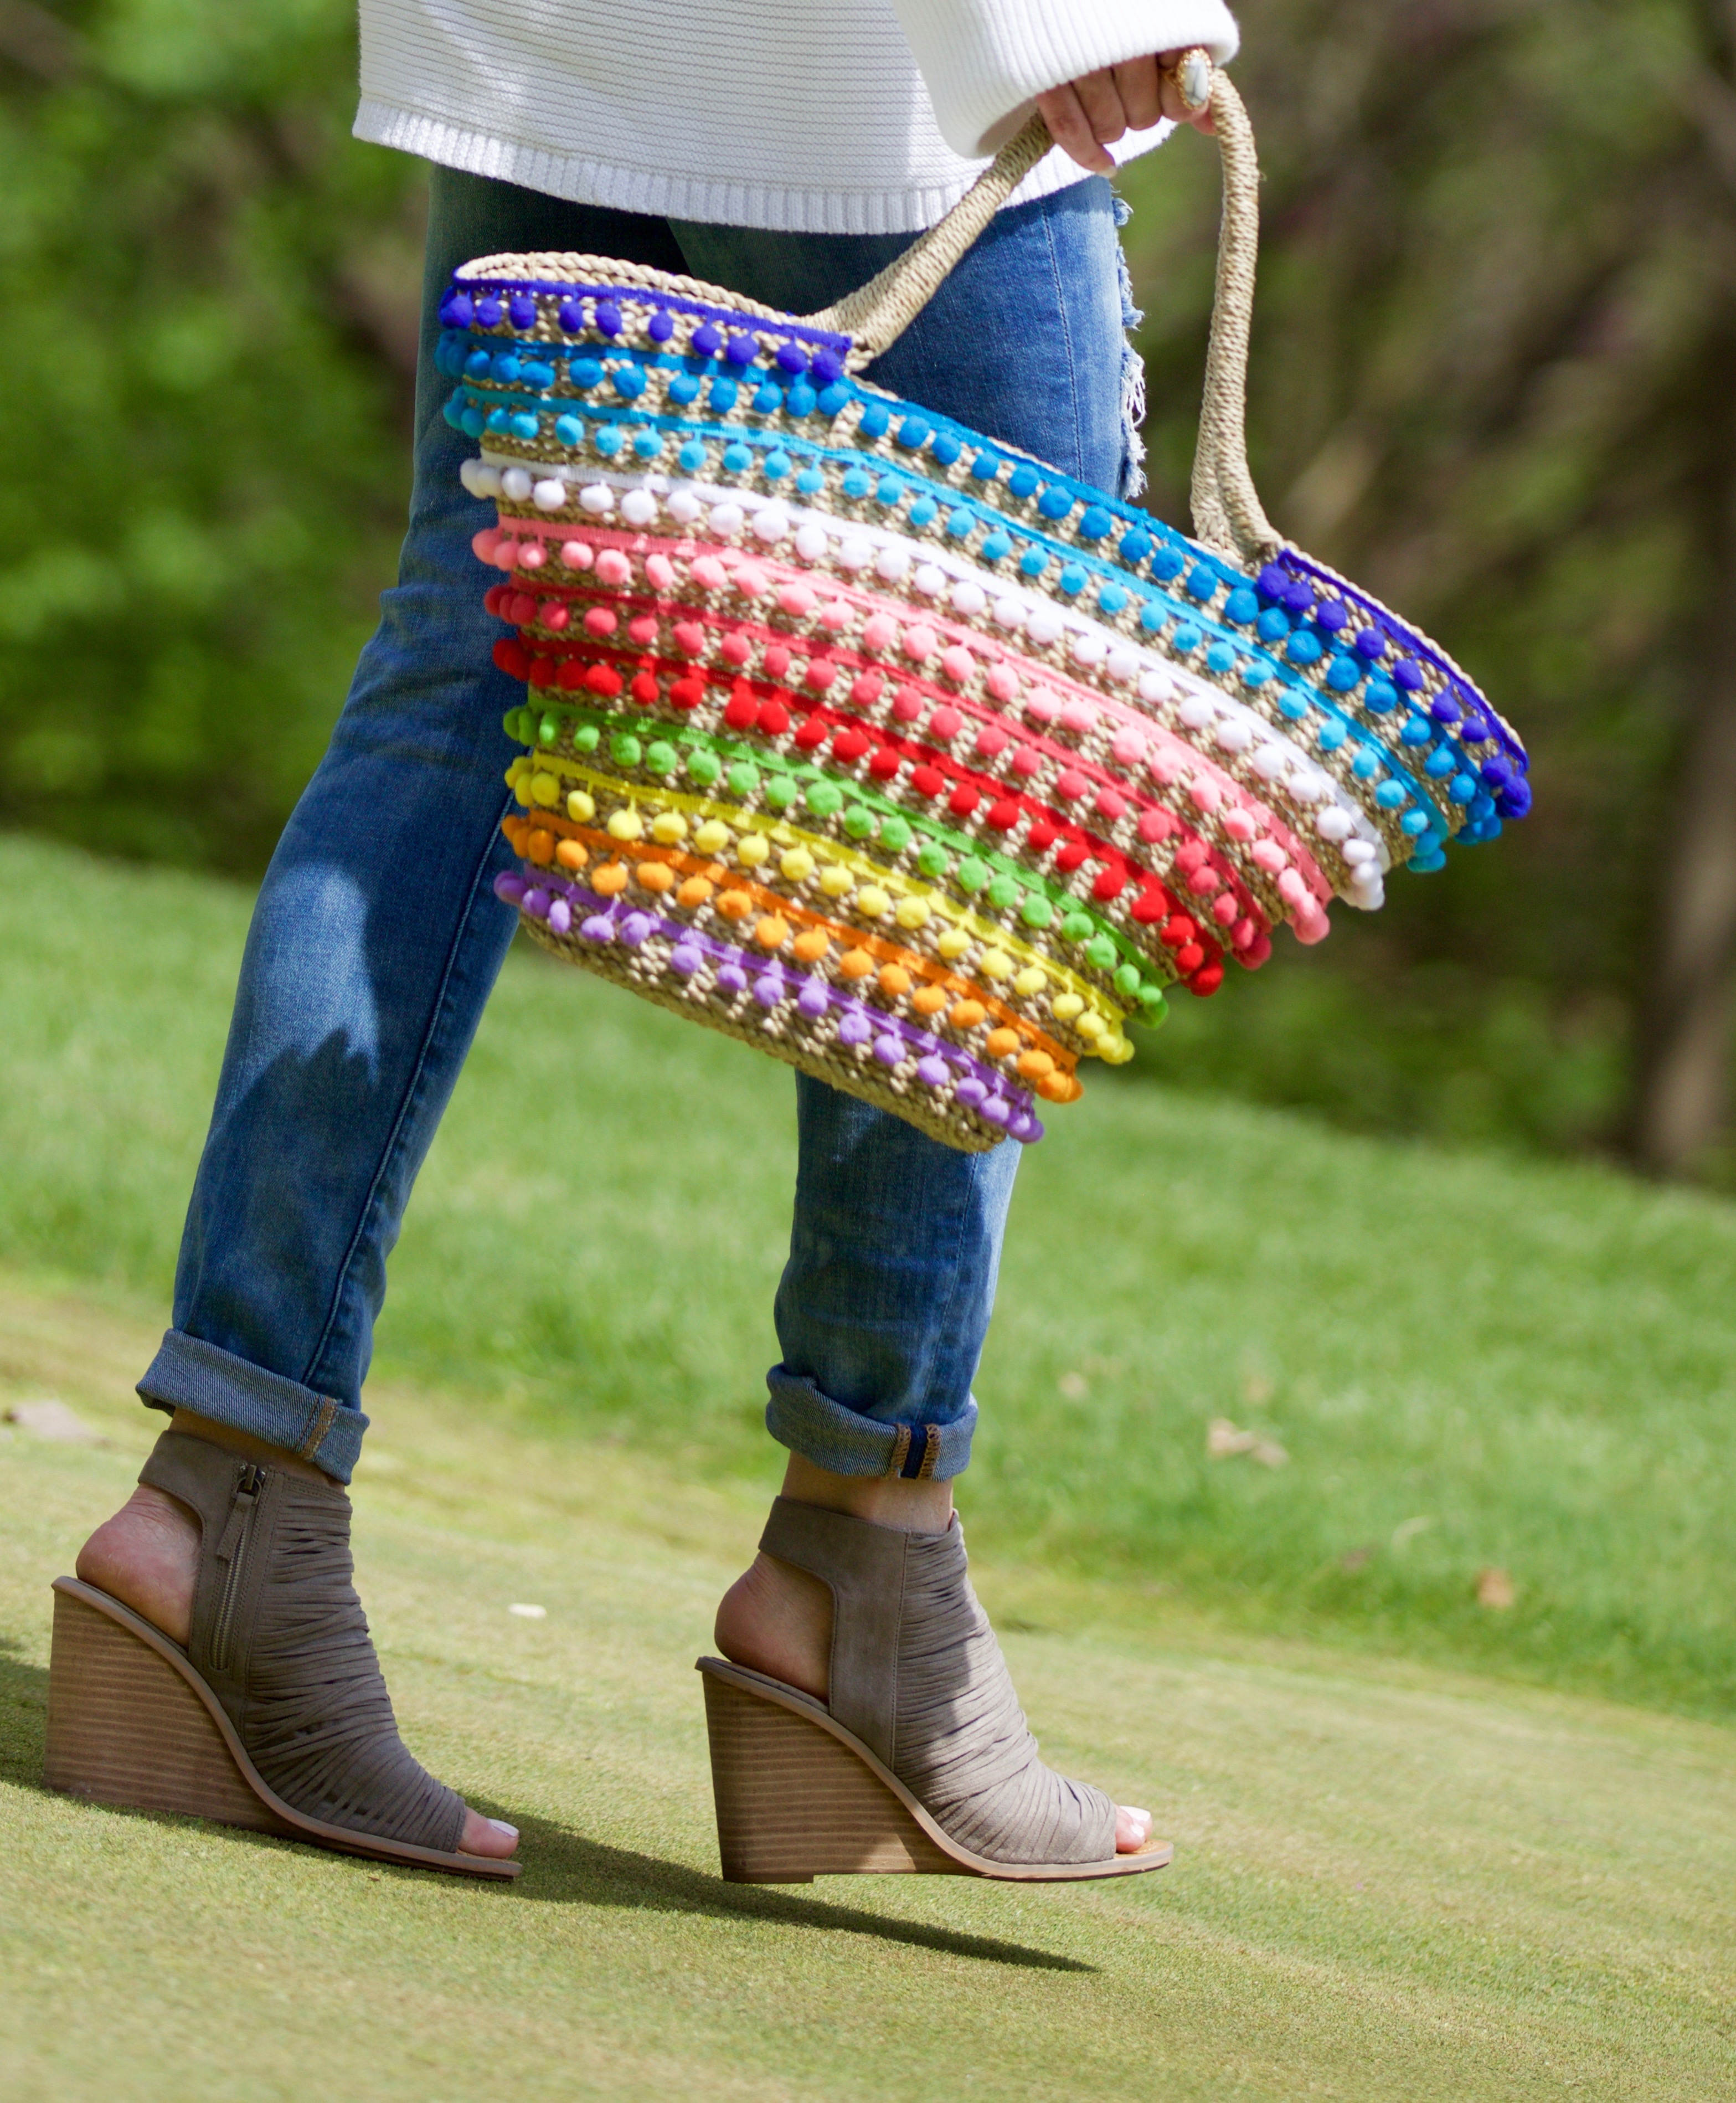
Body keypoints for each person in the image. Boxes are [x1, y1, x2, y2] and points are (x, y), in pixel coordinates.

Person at [68, 1, 1238, 1876]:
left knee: (464, 676)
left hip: (560, 42)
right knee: (971, 766)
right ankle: (866, 1562)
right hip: (864, 76)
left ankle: (227, 1497)